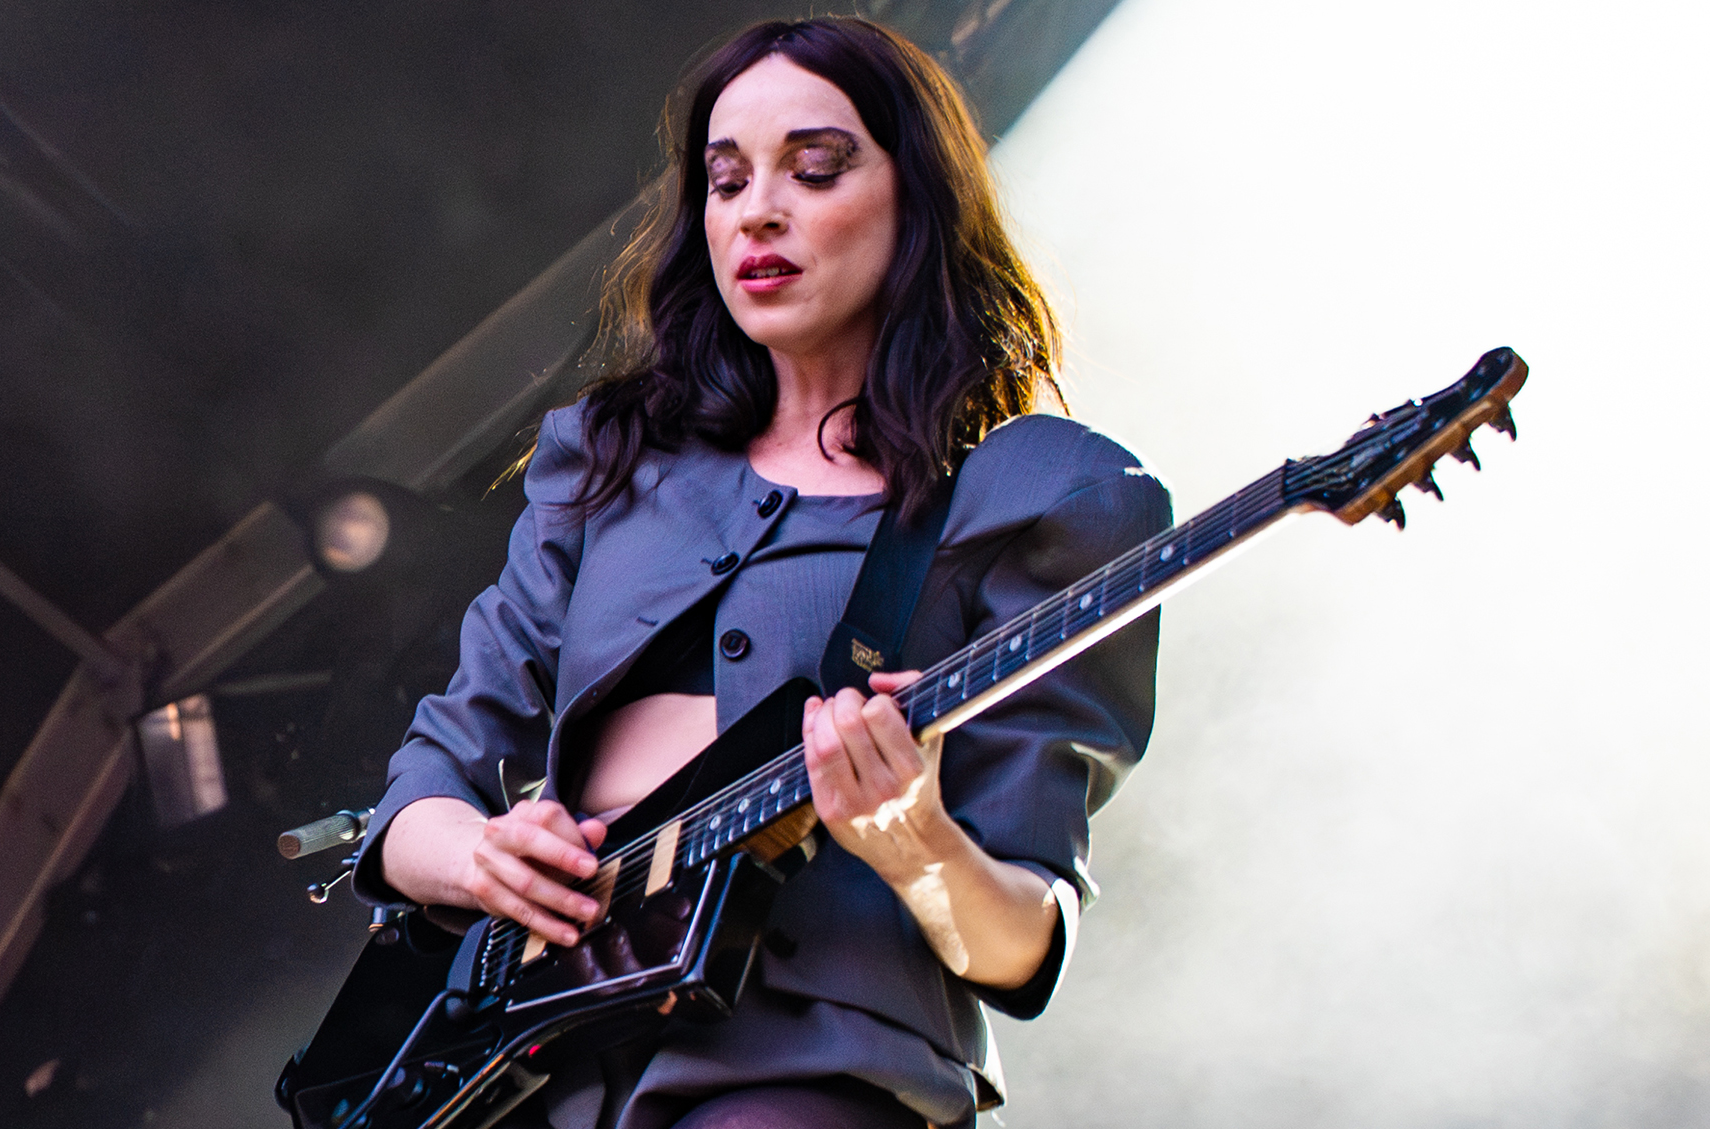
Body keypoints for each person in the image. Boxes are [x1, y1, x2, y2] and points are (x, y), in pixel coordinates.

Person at [352, 17, 1170, 1129]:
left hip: (812, 1073)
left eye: (815, 168)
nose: (757, 212)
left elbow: (1019, 942)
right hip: (539, 1076)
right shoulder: (610, 456)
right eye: (726, 180)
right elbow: (427, 782)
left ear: (918, 197)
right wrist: (481, 857)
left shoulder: (1046, 494)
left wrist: (915, 841)